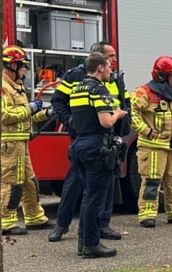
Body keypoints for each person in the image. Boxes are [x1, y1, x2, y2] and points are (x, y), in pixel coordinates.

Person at [49, 43, 128, 245]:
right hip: (89, 138)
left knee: (106, 187)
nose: (114, 61)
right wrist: (71, 122)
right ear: (99, 60)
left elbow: (125, 103)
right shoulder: (76, 76)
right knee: (75, 184)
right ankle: (63, 224)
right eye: (110, 57)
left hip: (108, 140)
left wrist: (121, 130)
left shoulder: (116, 78)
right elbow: (58, 101)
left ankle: (102, 226)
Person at [68, 52, 128, 258]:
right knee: (96, 198)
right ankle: (92, 244)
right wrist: (118, 114)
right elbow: (105, 122)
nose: (112, 70)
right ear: (100, 68)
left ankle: (83, 241)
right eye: (109, 66)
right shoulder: (98, 90)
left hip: (79, 145)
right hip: (96, 146)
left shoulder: (77, 89)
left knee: (87, 196)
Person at [130, 56, 172, 227]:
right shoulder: (144, 93)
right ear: (161, 75)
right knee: (152, 181)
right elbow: (132, 113)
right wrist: (147, 130)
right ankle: (147, 215)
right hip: (153, 148)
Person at [0, 46, 55, 236]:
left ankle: (34, 217)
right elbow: (3, 115)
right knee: (11, 183)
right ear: (12, 65)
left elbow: (24, 116)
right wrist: (30, 109)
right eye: (22, 66)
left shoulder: (16, 86)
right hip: (9, 144)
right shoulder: (2, 87)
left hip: (21, 142)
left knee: (29, 181)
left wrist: (46, 113)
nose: (24, 70)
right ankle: (6, 221)